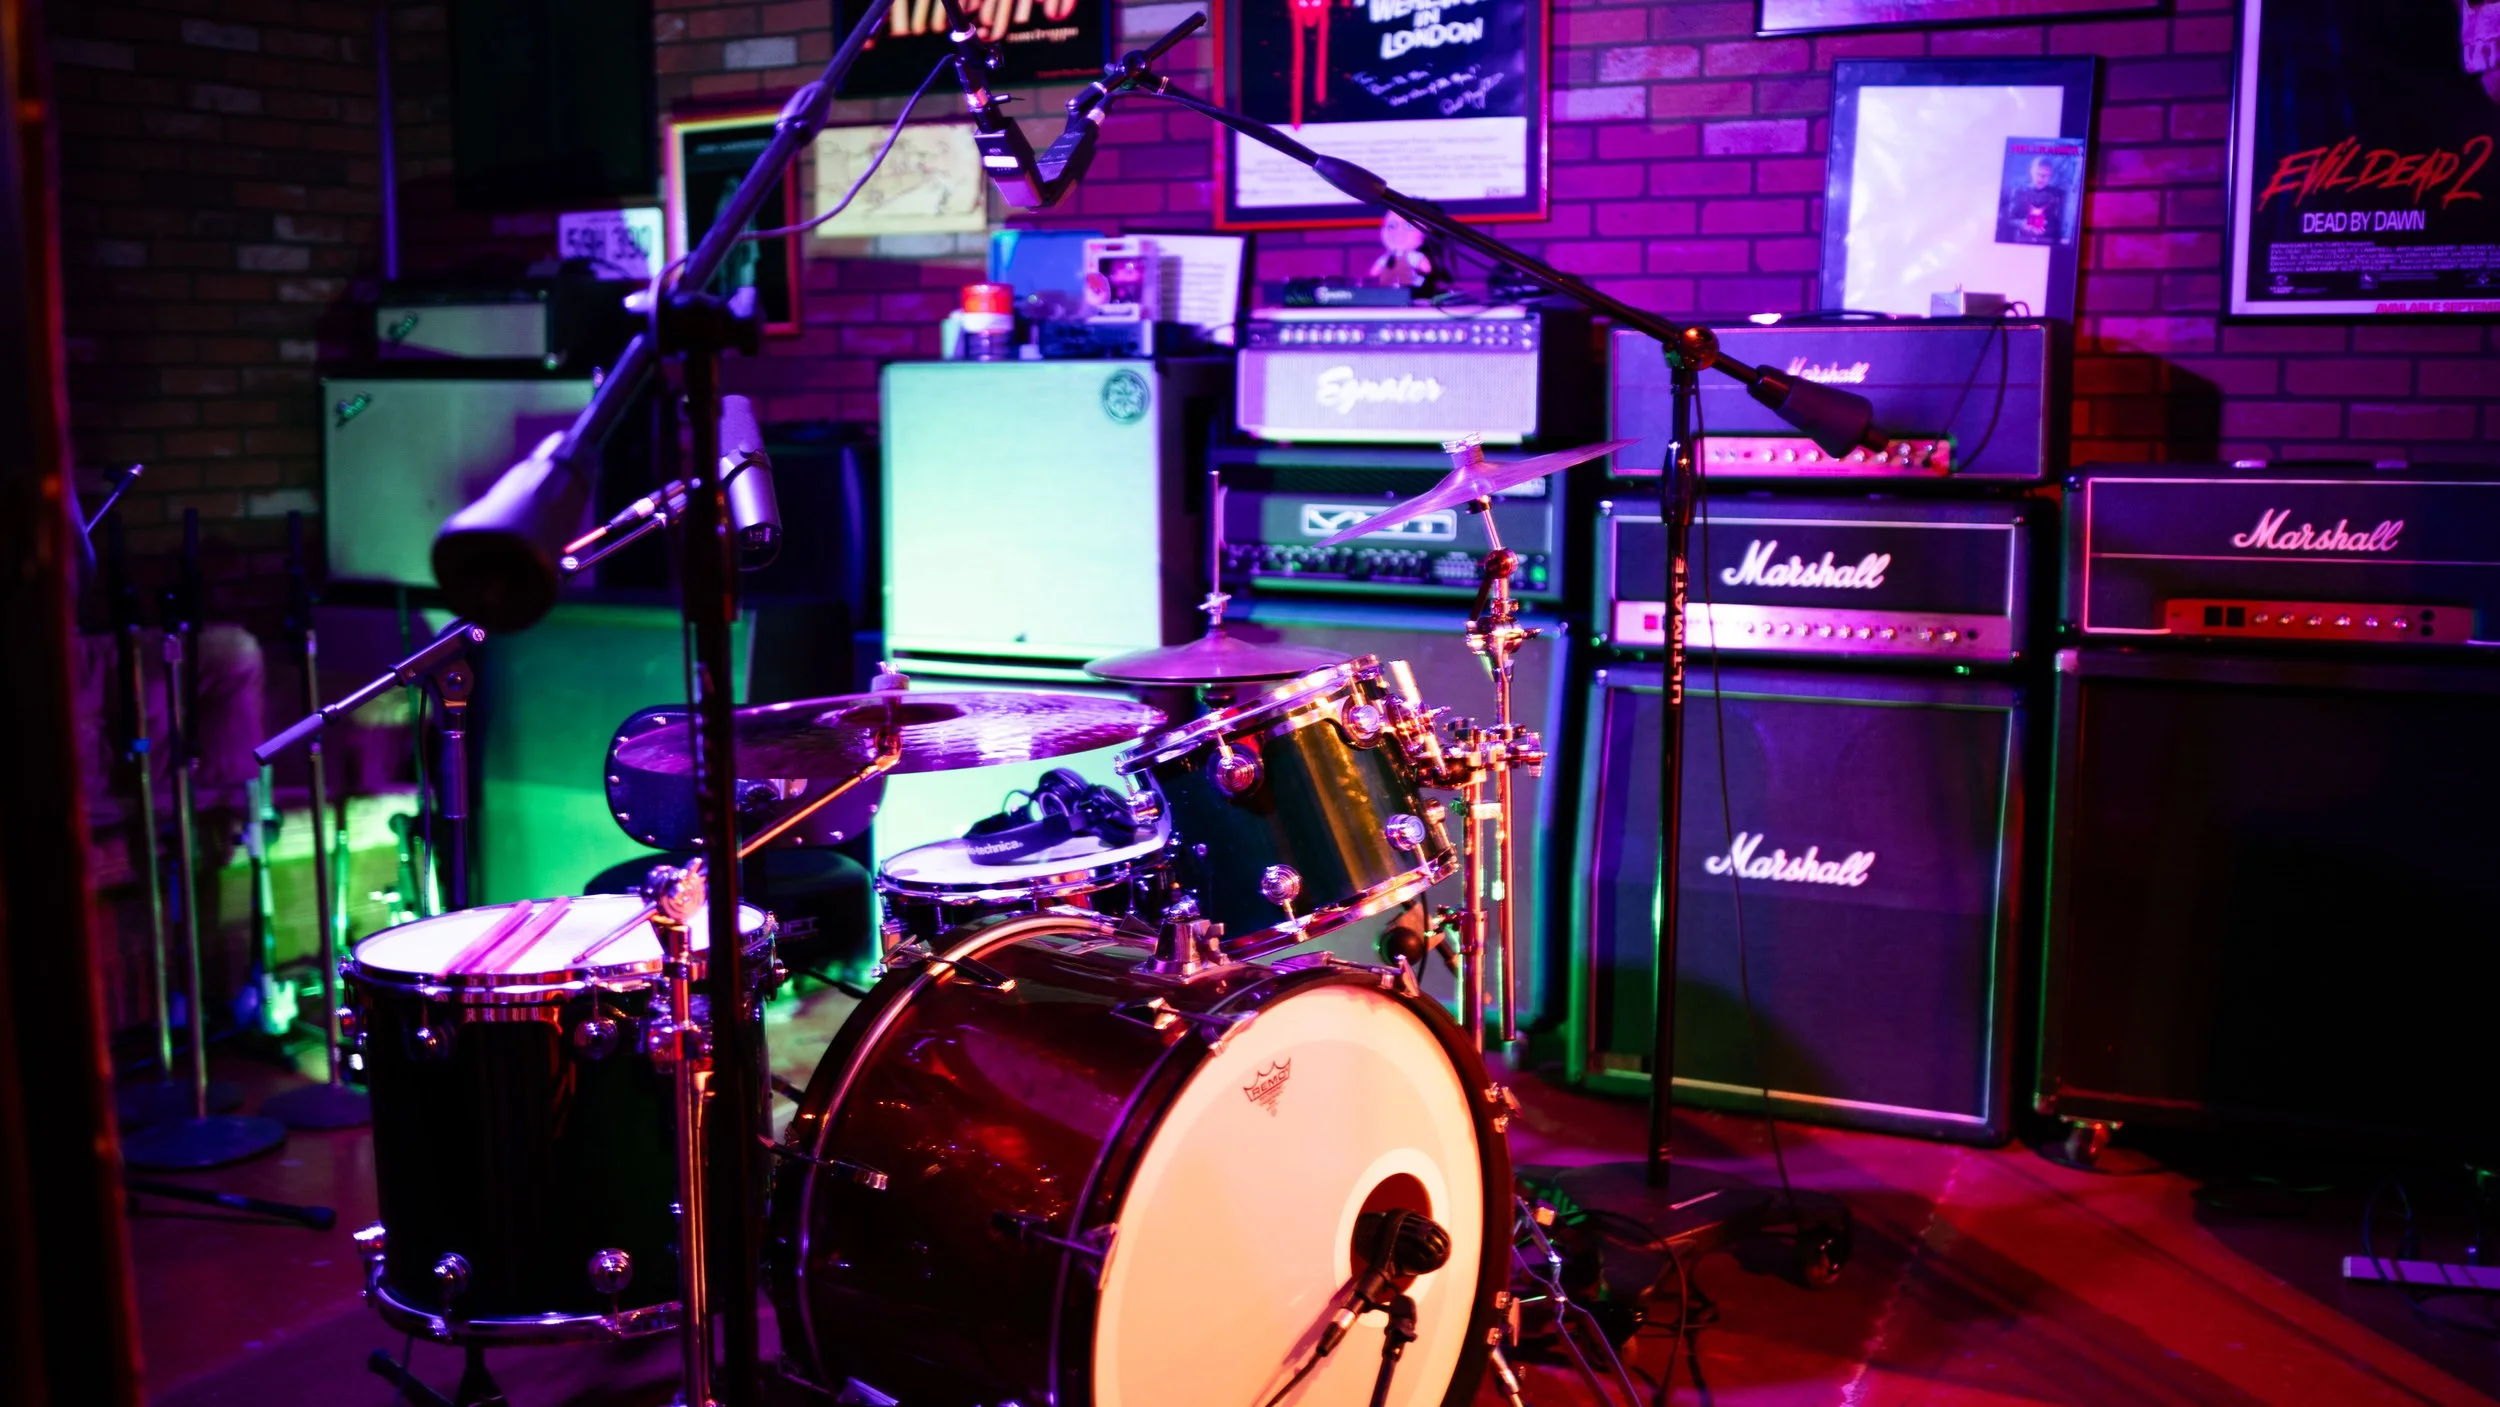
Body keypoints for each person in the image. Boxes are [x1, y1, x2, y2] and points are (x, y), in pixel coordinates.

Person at [2003, 156, 2066, 245]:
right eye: (2038, 173)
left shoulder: (2058, 194)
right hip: (2022, 241)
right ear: (2031, 171)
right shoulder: (2019, 192)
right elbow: (2009, 219)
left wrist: (2047, 225)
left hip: (2049, 241)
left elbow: (2060, 223)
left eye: (2046, 174)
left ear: (2051, 175)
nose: (2041, 178)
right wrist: (2022, 223)